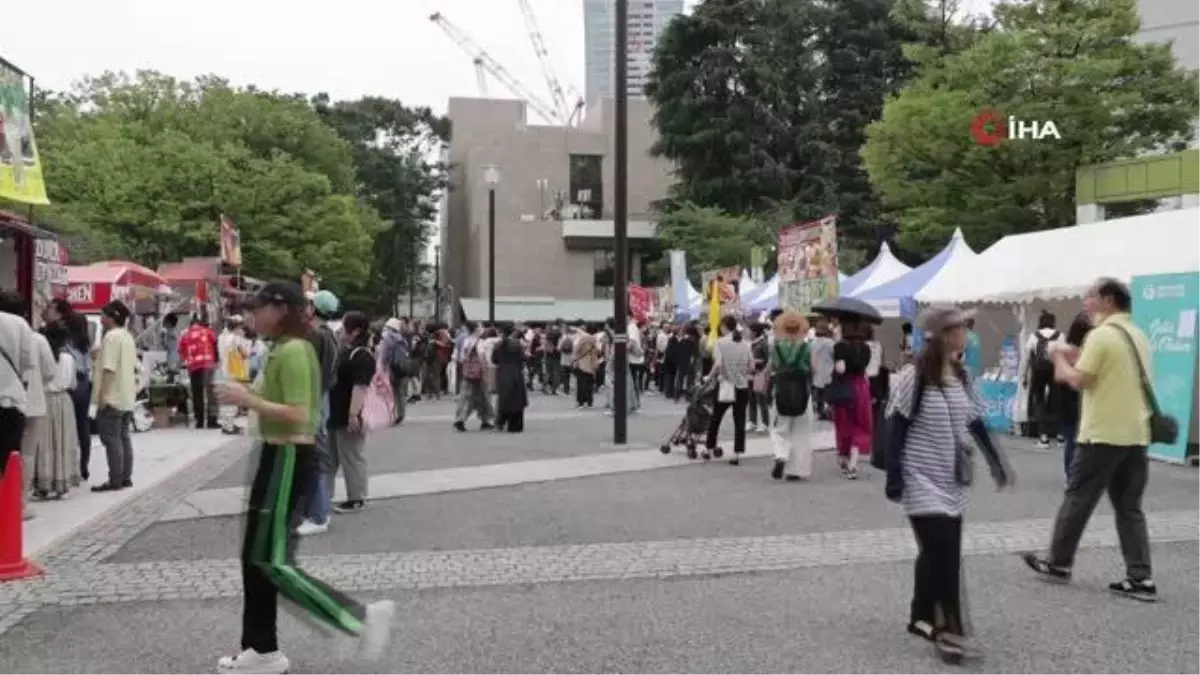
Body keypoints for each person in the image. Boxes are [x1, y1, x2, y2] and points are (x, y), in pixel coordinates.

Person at [214, 283, 393, 673]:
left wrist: (247, 400)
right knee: (255, 558)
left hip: (289, 456)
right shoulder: (285, 346)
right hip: (277, 454)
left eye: (256, 309)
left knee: (271, 560)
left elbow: (299, 413)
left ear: (280, 309)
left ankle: (356, 620)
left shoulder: (295, 350)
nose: (250, 317)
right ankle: (261, 650)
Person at [884, 307, 1012, 663]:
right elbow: (896, 428)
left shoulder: (962, 376)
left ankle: (920, 616)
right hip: (919, 478)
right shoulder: (915, 377)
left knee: (936, 552)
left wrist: (997, 463)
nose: (966, 333)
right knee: (945, 556)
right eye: (959, 328)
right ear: (942, 335)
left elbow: (976, 423)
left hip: (950, 480)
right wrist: (894, 476)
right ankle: (949, 631)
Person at [1022, 278, 1158, 602]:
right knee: (1129, 508)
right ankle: (1141, 578)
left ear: (1109, 300)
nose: (1085, 302)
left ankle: (1058, 562)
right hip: (1136, 433)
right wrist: (1068, 350)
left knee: (1078, 498)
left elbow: (1077, 378)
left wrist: (1057, 358)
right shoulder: (1136, 334)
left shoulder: (1101, 336)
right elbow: (1097, 358)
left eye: (1091, 296)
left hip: (1102, 434)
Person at [295, 292, 341, 536]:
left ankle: (318, 514)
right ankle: (316, 510)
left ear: (314, 308)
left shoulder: (317, 336)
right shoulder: (329, 335)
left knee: (314, 458)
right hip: (320, 400)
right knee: (314, 456)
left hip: (312, 400)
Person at [326, 311, 376, 515]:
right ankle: (322, 496)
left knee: (352, 456)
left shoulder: (362, 354)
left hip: (349, 414)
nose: (340, 330)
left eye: (343, 326)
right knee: (330, 457)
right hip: (336, 412)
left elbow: (360, 387)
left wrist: (353, 414)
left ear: (355, 330)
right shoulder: (348, 350)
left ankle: (356, 498)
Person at [91, 300, 137, 493]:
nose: (101, 319)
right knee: (124, 437)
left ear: (112, 318)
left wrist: (102, 396)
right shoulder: (127, 337)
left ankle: (115, 479)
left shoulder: (110, 338)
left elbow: (108, 369)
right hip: (126, 396)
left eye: (103, 315)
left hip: (112, 396)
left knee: (111, 439)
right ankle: (125, 477)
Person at [44, 298, 93, 481]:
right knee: (83, 426)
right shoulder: (83, 341)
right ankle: (84, 466)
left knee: (68, 427)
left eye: (50, 308)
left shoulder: (61, 339)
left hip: (70, 384)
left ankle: (67, 467)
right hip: (84, 383)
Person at [32, 322, 80, 499]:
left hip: (44, 399)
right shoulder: (68, 358)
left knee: (44, 444)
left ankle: (43, 484)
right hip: (64, 401)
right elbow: (73, 384)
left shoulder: (39, 356)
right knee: (63, 442)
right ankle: (63, 484)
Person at [704, 315, 754, 464]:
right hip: (742, 386)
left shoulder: (720, 343)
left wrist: (709, 378)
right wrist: (741, 372)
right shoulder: (746, 344)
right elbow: (751, 366)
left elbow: (718, 364)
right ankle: (737, 453)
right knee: (739, 420)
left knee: (715, 418)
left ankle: (709, 447)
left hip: (725, 385)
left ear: (724, 325)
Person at [769, 312, 812, 481]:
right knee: (801, 431)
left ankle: (781, 455)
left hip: (782, 390)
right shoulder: (807, 347)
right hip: (802, 391)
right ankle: (796, 470)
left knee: (779, 429)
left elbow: (773, 367)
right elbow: (812, 369)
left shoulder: (776, 347)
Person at [832, 317, 874, 479]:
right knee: (861, 424)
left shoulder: (840, 347)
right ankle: (853, 464)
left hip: (845, 387)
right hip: (861, 388)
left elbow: (840, 369)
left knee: (844, 424)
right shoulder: (866, 348)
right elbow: (865, 370)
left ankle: (843, 457)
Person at [0, 290, 33, 493]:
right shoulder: (21, 325)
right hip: (13, 400)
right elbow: (27, 363)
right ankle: (9, 502)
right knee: (11, 456)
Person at [1058, 313, 1092, 484]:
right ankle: (1075, 476)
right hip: (1080, 401)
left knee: (1072, 440)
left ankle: (1071, 475)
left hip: (1067, 401)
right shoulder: (1085, 353)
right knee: (1078, 440)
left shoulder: (1065, 351)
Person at [1024, 311, 1062, 449]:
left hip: (1038, 372)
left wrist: (1024, 375)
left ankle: (1043, 437)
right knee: (1057, 401)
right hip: (1055, 371)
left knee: (1039, 401)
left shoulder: (1034, 336)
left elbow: (1028, 358)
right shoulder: (1060, 335)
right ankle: (1060, 435)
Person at [178, 314, 219, 429]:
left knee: (197, 394)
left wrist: (187, 361)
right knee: (210, 392)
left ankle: (199, 421)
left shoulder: (185, 335)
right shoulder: (207, 331)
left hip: (193, 366)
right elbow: (215, 345)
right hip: (207, 364)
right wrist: (216, 361)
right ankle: (212, 420)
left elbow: (181, 352)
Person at [453, 321, 494, 431]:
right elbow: (483, 358)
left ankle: (459, 419)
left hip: (467, 372)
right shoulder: (480, 342)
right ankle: (485, 420)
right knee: (484, 396)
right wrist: (486, 371)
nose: (482, 328)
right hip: (479, 373)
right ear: (476, 329)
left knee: (465, 396)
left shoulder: (465, 341)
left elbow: (460, 358)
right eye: (480, 326)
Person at [492, 323, 529, 432]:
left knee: (504, 398)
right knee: (516, 399)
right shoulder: (517, 344)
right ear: (513, 331)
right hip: (516, 372)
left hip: (502, 372)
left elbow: (494, 359)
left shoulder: (498, 344)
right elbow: (522, 359)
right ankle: (515, 425)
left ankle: (501, 420)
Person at [808, 319, 836, 421]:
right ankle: (829, 412)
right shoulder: (830, 343)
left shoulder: (812, 343)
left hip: (816, 372)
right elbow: (835, 356)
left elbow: (810, 358)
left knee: (819, 394)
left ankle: (820, 412)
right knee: (828, 394)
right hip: (829, 372)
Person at [747, 323, 772, 433]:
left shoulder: (763, 343)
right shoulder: (751, 344)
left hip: (760, 373)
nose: (748, 333)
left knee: (761, 399)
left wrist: (755, 361)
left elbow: (767, 360)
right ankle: (752, 422)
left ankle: (765, 423)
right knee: (751, 399)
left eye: (750, 331)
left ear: (755, 332)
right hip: (750, 374)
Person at [572, 325, 599, 409]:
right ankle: (589, 401)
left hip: (582, 364)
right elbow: (598, 351)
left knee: (581, 383)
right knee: (589, 384)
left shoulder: (581, 339)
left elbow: (576, 350)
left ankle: (581, 402)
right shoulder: (594, 339)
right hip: (591, 364)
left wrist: (573, 360)